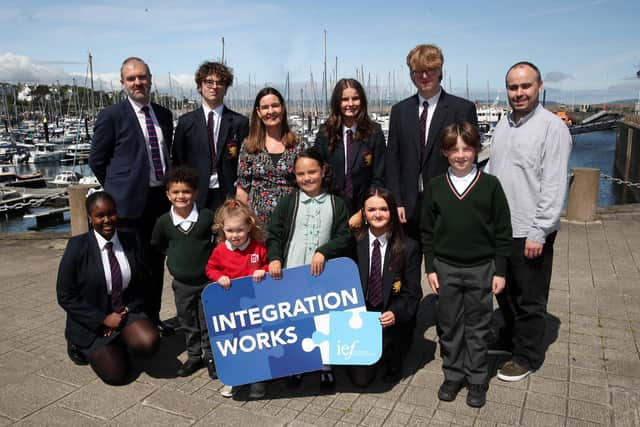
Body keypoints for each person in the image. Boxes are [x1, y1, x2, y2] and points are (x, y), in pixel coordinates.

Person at [484, 62, 572, 382]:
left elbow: (554, 184)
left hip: (530, 230)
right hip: (501, 228)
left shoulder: (553, 128)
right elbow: (494, 172)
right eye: (513, 87)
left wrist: (540, 230)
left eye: (525, 86)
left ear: (539, 86)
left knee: (530, 297)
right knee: (504, 291)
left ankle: (527, 356)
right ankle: (510, 337)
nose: (519, 93)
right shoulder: (504, 123)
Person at [421, 122, 512, 407]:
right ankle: (453, 373)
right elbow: (427, 232)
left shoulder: (490, 185)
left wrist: (500, 270)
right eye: (454, 149)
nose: (461, 155)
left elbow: (502, 231)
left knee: (478, 325)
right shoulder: (435, 186)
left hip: (481, 268)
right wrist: (430, 267)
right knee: (449, 325)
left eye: (467, 148)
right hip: (446, 267)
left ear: (476, 149)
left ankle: (476, 378)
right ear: (445, 152)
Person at [89, 57, 174, 333]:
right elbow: (97, 160)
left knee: (155, 263)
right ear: (123, 82)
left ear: (150, 78)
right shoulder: (112, 116)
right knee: (129, 266)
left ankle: (153, 317)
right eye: (131, 78)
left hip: (160, 200)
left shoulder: (164, 115)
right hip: (127, 205)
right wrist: (117, 189)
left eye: (142, 77)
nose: (138, 82)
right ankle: (131, 321)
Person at [266, 147, 352, 390]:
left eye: (312, 172)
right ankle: (298, 364)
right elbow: (274, 234)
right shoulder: (289, 202)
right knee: (297, 320)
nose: (307, 178)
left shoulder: (337, 203)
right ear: (295, 175)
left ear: (323, 171)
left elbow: (345, 236)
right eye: (301, 174)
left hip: (323, 276)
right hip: (293, 271)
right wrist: (274, 258)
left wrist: (325, 251)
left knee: (323, 320)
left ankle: (326, 365)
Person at [57, 191, 159, 385]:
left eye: (111, 213)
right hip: (92, 318)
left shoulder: (132, 239)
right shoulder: (77, 247)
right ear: (90, 218)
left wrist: (127, 310)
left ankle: (121, 339)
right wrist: (102, 319)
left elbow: (146, 281)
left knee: (149, 343)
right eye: (100, 215)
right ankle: (79, 345)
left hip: (123, 309)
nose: (107, 220)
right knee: (117, 375)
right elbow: (65, 295)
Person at [385, 44, 478, 240]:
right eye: (418, 71)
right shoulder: (399, 111)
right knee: (408, 267)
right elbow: (393, 159)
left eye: (430, 70)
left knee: (442, 269)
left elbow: (469, 160)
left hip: (447, 205)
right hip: (407, 210)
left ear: (440, 70)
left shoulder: (462, 109)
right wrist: (397, 201)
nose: (424, 76)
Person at [348, 187, 422, 388]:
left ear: (392, 212)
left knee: (390, 364)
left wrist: (395, 313)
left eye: (383, 209)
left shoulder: (409, 247)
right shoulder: (353, 242)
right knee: (360, 380)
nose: (377, 214)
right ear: (363, 212)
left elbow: (413, 293)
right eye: (371, 210)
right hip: (362, 318)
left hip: (389, 318)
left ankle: (393, 353)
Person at [150, 167, 216, 379]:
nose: (181, 196)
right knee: (187, 320)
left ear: (195, 193)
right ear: (168, 194)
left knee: (207, 321)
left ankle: (210, 357)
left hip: (207, 281)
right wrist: (175, 259)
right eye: (176, 192)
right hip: (182, 284)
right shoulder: (163, 222)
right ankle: (194, 356)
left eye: (186, 192)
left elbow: (217, 240)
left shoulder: (207, 217)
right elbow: (157, 244)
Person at [205, 199, 269, 398]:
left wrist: (262, 271)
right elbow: (210, 268)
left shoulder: (258, 248)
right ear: (222, 229)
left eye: (239, 230)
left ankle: (258, 380)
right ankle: (233, 378)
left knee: (256, 342)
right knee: (234, 343)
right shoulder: (220, 251)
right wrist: (219, 277)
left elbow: (269, 265)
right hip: (231, 307)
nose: (235, 235)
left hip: (255, 305)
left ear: (249, 226)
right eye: (230, 231)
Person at [173, 61, 249, 212]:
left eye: (220, 82)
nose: (214, 86)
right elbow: (178, 161)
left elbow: (246, 162)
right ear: (199, 86)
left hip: (228, 193)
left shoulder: (240, 122)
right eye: (209, 82)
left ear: (226, 88)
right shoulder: (185, 122)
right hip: (195, 193)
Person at [315, 78, 385, 227]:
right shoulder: (325, 132)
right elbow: (318, 172)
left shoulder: (374, 132)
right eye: (345, 99)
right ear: (337, 103)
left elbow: (378, 176)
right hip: (331, 209)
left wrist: (363, 212)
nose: (350, 104)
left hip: (363, 211)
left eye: (355, 98)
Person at [236, 87, 302, 225]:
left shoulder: (297, 144)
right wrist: (241, 221)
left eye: (275, 106)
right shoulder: (249, 146)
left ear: (282, 108)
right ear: (259, 112)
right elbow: (242, 189)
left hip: (291, 220)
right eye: (265, 107)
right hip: (257, 224)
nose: (270, 111)